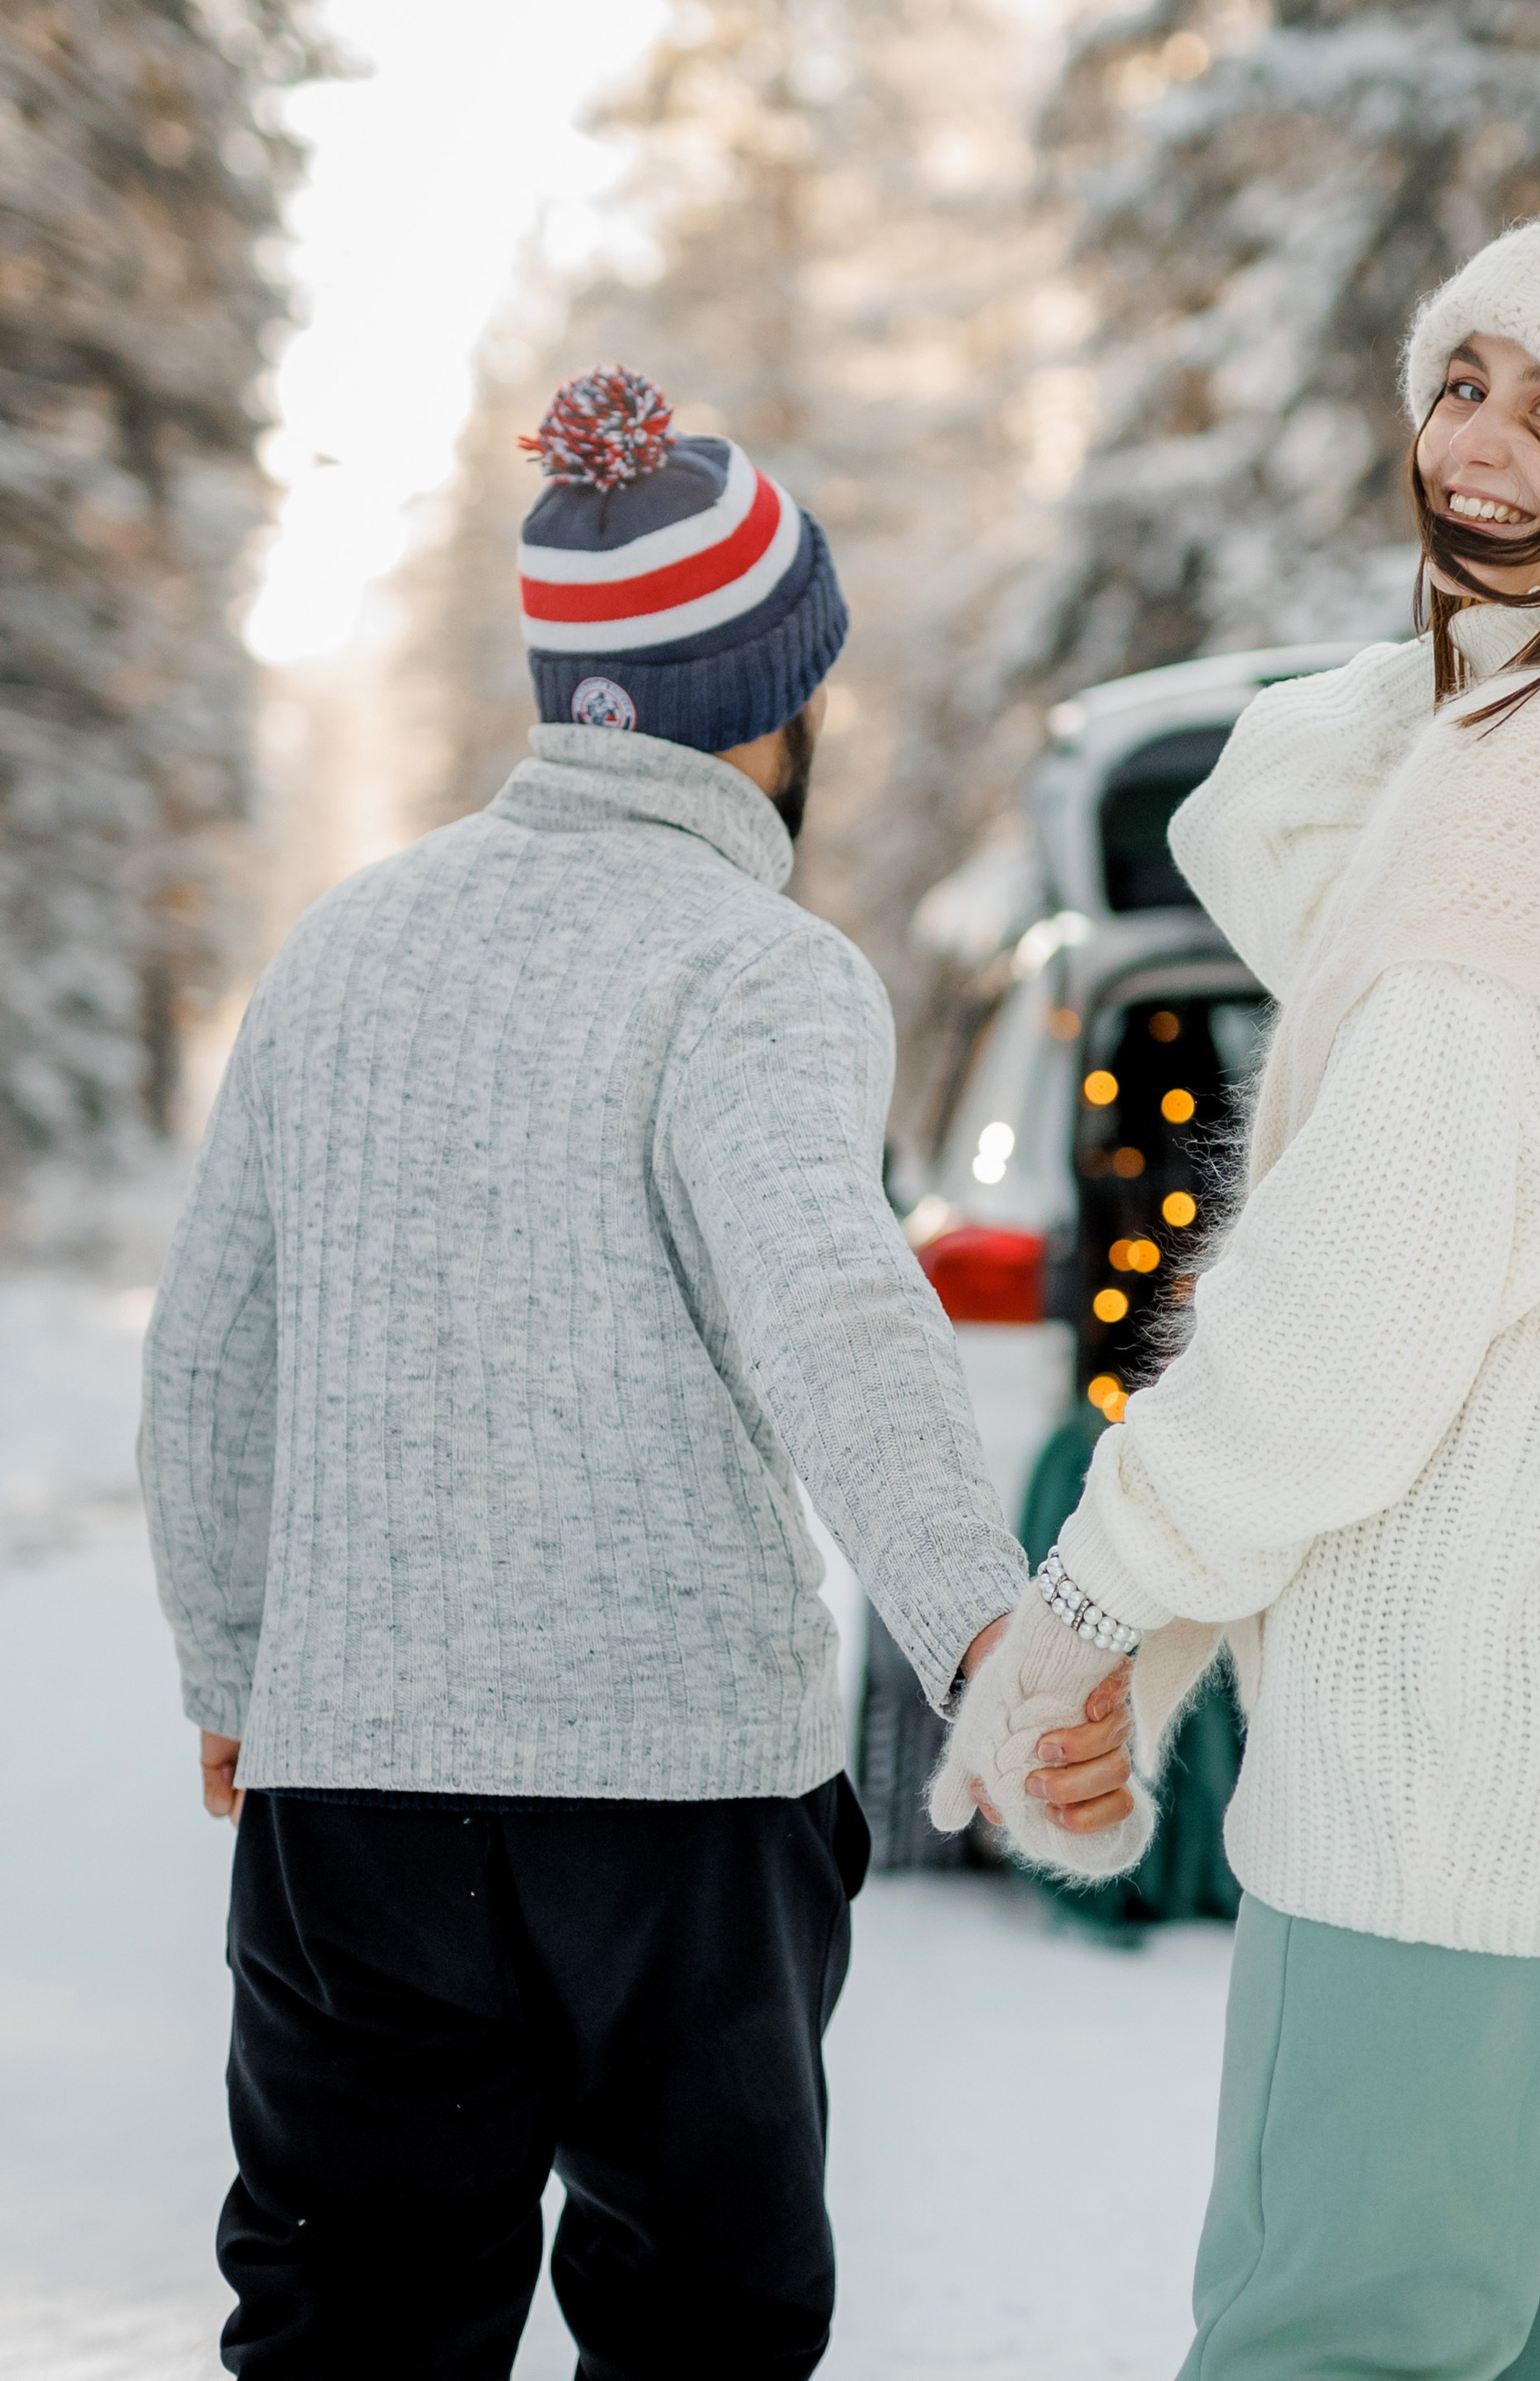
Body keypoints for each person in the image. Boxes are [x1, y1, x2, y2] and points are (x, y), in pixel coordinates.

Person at [937, 205, 1540, 2379]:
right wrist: (1490, 656)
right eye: (1462, 380)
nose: (1476, 439)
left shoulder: (1510, 838)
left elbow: (1341, 1334)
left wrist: (1091, 1614)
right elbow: (1284, 847)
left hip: (1491, 1824)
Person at [141, 364, 1133, 2381]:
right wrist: (985, 1643)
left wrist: (233, 1667)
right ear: (779, 703)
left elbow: (212, 1355)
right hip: (673, 1807)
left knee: (346, 2329)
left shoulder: (340, 950)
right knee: (698, 2328)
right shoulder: (749, 965)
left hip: (357, 1800)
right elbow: (830, 1314)